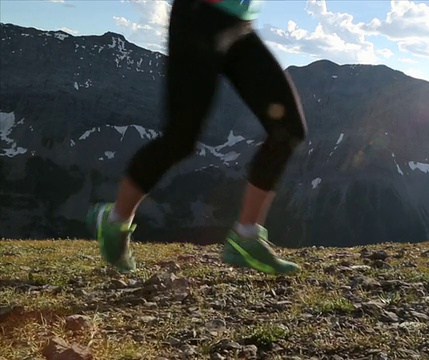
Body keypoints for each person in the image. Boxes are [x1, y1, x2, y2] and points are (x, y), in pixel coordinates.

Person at [86, 0, 307, 274]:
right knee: (180, 139)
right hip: (198, 17)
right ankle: (115, 221)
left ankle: (246, 237)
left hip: (241, 26)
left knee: (288, 129)